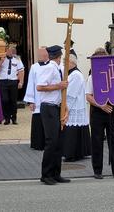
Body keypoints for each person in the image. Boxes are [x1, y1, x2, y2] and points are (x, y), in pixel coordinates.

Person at [86, 47, 114, 180]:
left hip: (112, 111)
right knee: (97, 141)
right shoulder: (92, 77)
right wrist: (101, 105)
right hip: (98, 111)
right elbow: (88, 96)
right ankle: (97, 170)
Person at [37, 45, 70, 185]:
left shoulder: (56, 68)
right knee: (52, 141)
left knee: (58, 141)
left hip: (56, 107)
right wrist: (59, 86)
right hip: (48, 107)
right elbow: (40, 87)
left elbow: (59, 92)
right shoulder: (49, 68)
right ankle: (46, 174)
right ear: (59, 56)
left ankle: (56, 173)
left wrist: (65, 107)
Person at [62, 52, 91, 162]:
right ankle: (77, 153)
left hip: (74, 106)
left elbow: (70, 93)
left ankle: (72, 154)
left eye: (65, 62)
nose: (64, 64)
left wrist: (64, 106)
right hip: (74, 105)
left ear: (71, 62)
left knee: (72, 130)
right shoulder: (72, 74)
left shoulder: (75, 75)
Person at [24, 47, 49, 150]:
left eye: (41, 53)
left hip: (49, 99)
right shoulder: (34, 67)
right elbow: (31, 84)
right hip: (38, 99)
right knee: (38, 122)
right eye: (38, 53)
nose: (39, 55)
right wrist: (31, 101)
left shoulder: (52, 66)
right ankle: (38, 143)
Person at [0, 44, 24, 125]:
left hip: (13, 81)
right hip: (3, 81)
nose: (10, 52)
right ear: (6, 51)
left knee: (13, 101)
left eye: (12, 50)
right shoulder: (1, 59)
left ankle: (14, 118)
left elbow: (21, 71)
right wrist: (1, 61)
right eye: (9, 50)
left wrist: (21, 82)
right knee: (5, 100)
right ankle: (6, 118)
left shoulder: (17, 59)